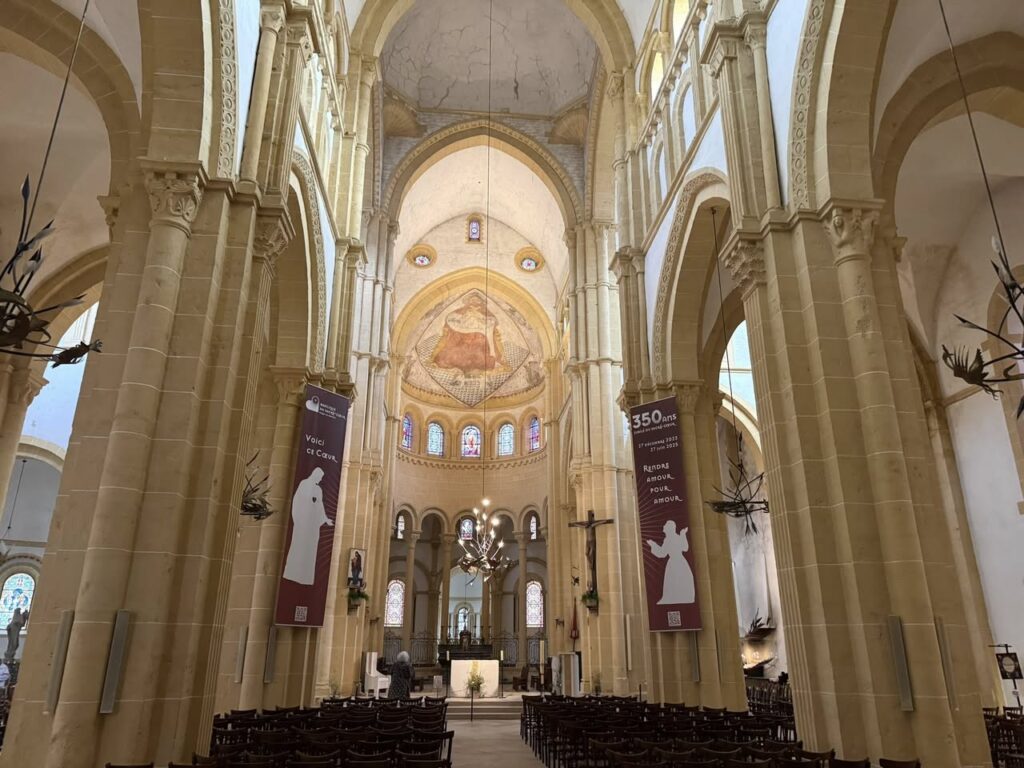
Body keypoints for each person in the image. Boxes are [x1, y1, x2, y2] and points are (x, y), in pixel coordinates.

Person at [282, 467, 333, 584]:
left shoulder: (319, 489)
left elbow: (320, 507)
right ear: (315, 475)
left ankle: (306, 577)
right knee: (297, 547)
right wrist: (301, 518)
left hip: (313, 527)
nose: (320, 480)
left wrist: (325, 519)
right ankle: (292, 573)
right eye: (320, 477)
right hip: (302, 525)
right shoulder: (304, 484)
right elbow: (298, 501)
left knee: (310, 551)